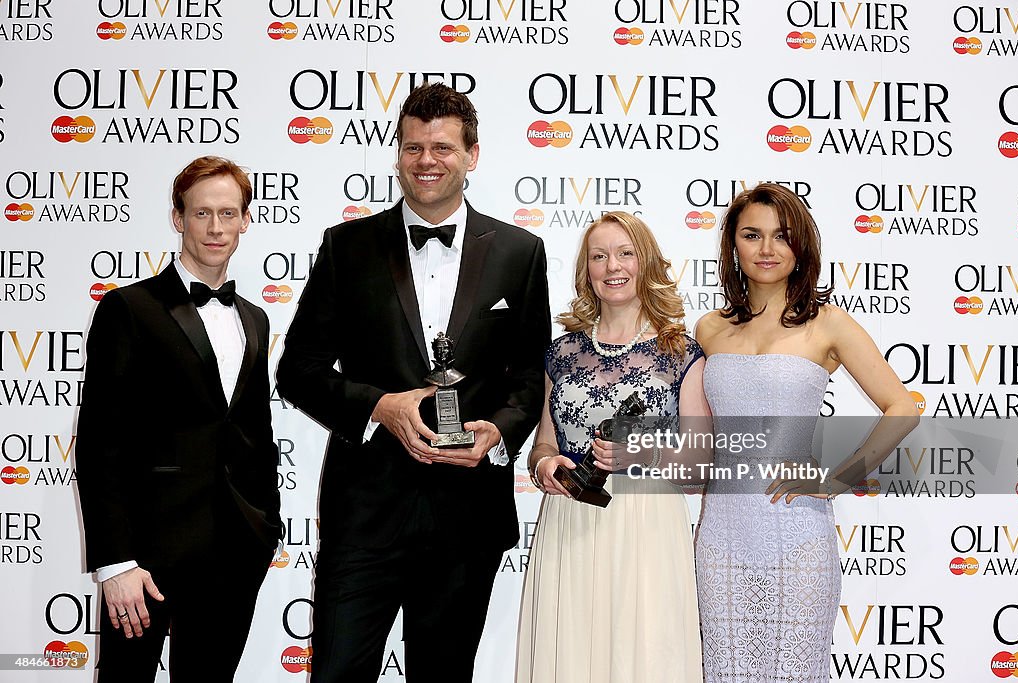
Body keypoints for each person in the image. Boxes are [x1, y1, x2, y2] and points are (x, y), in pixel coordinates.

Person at [276, 82, 551, 683]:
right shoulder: (346, 247)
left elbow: (532, 374)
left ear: (471, 155)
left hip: (467, 513)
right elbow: (297, 370)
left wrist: (497, 434)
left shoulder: (519, 252)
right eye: (413, 147)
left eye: (443, 148)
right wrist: (379, 406)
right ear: (397, 153)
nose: (427, 160)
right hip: (366, 514)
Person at [694, 183, 919, 682]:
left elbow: (901, 406)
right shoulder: (710, 328)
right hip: (723, 534)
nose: (768, 249)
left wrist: (841, 479)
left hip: (797, 533)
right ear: (733, 244)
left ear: (802, 246)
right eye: (753, 235)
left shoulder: (829, 325)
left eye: (782, 236)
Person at [76, 156, 282, 682]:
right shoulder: (129, 308)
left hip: (235, 551)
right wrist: (116, 563)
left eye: (229, 214)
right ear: (178, 218)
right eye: (202, 213)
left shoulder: (254, 319)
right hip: (147, 556)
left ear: (245, 220)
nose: (216, 228)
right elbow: (101, 442)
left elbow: (255, 432)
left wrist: (266, 526)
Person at [517, 212, 709, 683]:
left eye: (626, 253)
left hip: (648, 527)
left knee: (643, 658)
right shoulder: (561, 353)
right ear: (586, 271)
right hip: (571, 520)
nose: (612, 266)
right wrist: (544, 467)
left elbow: (702, 464)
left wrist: (646, 455)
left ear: (646, 264)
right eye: (598, 256)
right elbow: (543, 442)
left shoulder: (682, 352)